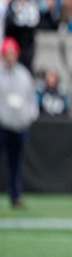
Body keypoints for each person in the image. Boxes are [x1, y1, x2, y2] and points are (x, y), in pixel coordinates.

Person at [0, 38, 38, 209]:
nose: (9, 57)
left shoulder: (24, 74)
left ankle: (15, 196)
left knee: (15, 164)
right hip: (2, 125)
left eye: (12, 54)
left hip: (19, 126)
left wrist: (30, 116)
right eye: (7, 54)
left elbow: (31, 98)